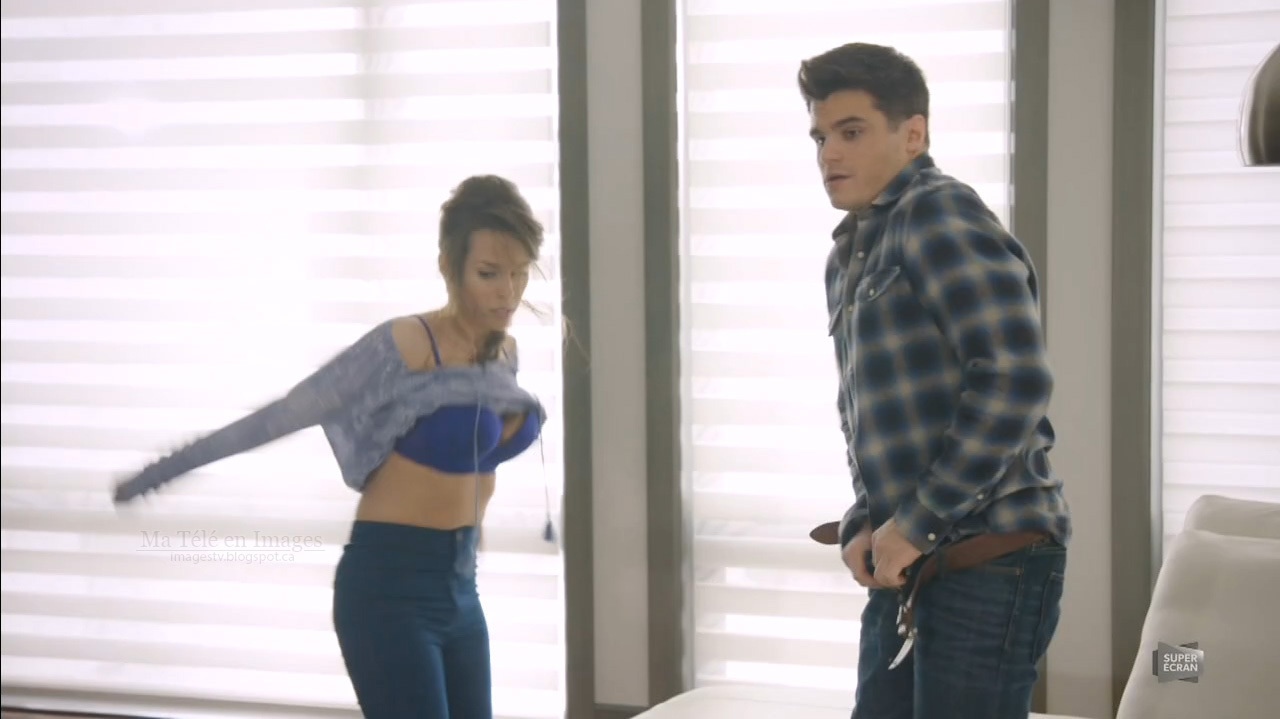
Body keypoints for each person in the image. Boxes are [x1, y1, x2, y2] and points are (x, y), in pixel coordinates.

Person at [111, 175, 550, 719]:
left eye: (520, 272)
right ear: (448, 266)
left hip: (461, 590)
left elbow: (472, 467)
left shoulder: (504, 353)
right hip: (388, 590)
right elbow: (283, 415)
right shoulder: (407, 343)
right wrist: (165, 470)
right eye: (489, 273)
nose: (509, 291)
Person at [798, 43, 1072, 719]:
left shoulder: (939, 214)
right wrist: (866, 522)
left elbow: (1013, 380)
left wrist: (913, 524)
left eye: (852, 131)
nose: (830, 154)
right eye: (821, 137)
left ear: (913, 133)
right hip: (911, 560)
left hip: (989, 558)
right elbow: (871, 415)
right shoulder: (848, 253)